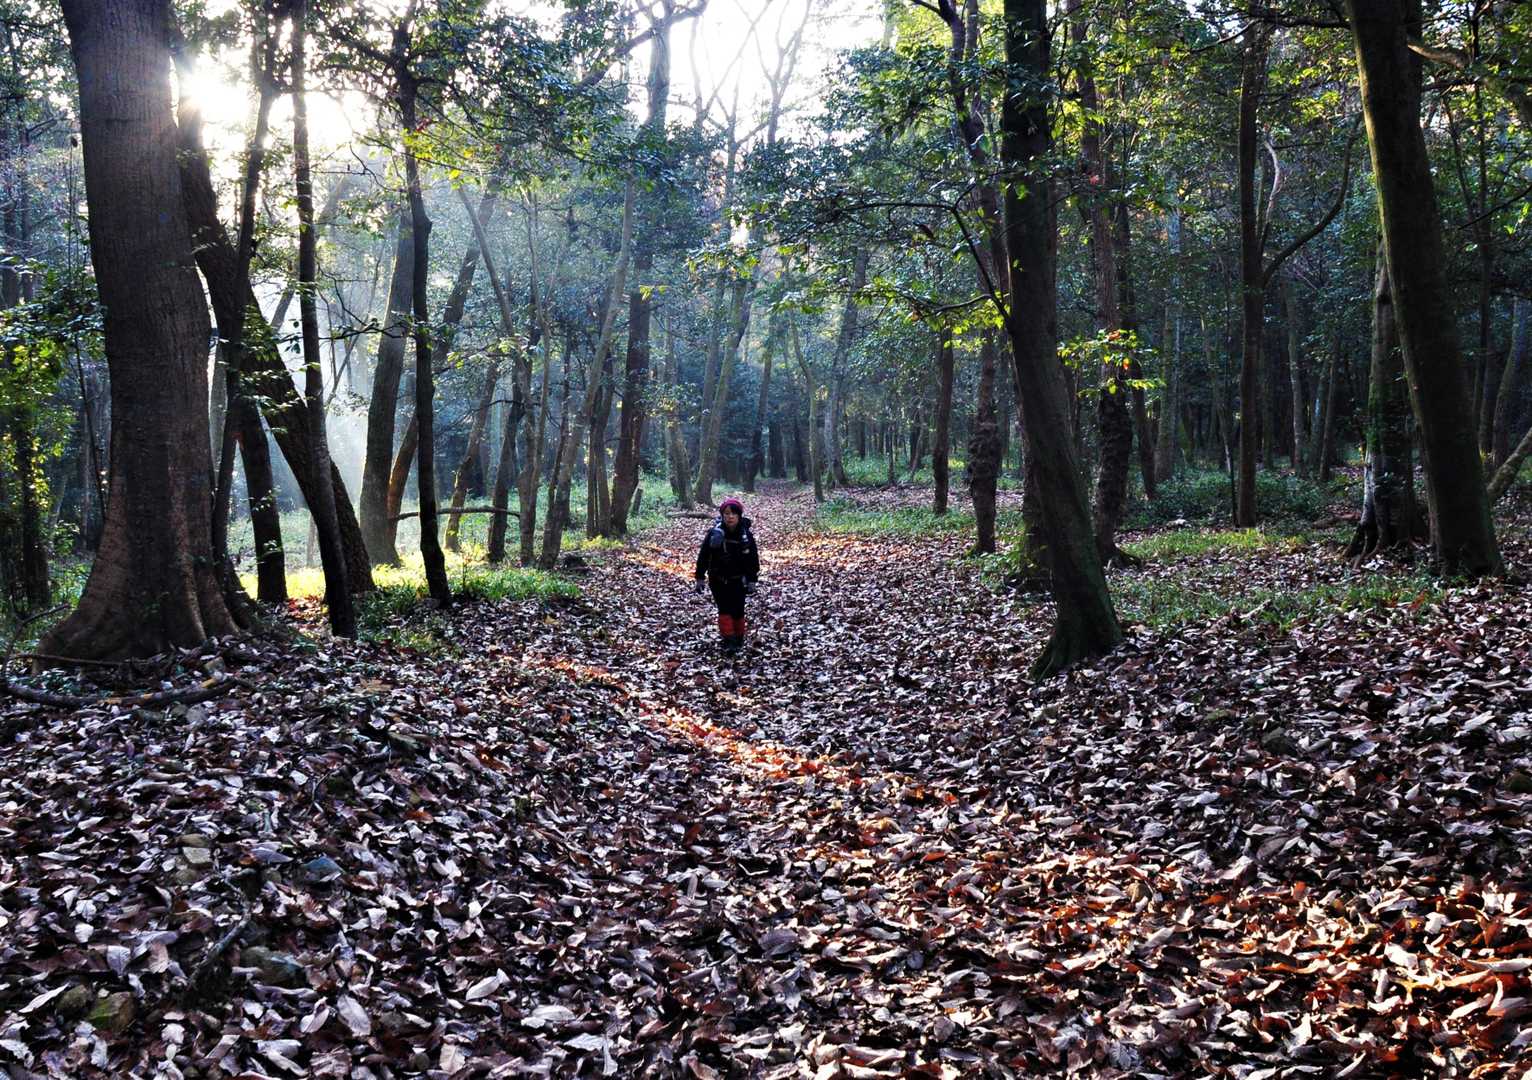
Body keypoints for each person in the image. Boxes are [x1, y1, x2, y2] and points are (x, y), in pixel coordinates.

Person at [693, 496, 760, 655]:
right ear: (722, 515)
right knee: (724, 609)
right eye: (727, 514)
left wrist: (752, 579)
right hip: (718, 579)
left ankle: (739, 637)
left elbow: (753, 558)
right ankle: (728, 640)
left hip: (739, 580)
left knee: (738, 609)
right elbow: (704, 555)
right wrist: (699, 577)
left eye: (733, 514)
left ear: (739, 516)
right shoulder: (714, 534)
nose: (730, 517)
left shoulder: (746, 535)